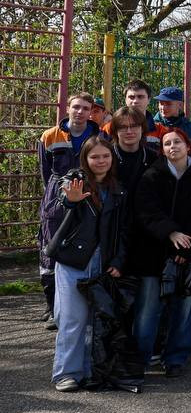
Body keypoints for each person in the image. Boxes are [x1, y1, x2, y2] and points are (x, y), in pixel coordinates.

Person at [131, 129, 191, 378]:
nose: (172, 147)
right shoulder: (152, 176)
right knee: (148, 309)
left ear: (188, 146)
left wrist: (188, 248)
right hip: (152, 253)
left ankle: (176, 358)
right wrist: (170, 233)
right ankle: (142, 358)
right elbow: (145, 211)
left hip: (187, 254)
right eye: (167, 143)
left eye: (177, 142)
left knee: (183, 307)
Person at [46, 136, 129, 392]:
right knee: (73, 318)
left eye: (105, 156)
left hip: (103, 261)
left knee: (96, 319)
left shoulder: (118, 189)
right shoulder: (74, 180)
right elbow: (59, 205)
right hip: (74, 259)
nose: (101, 161)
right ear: (86, 158)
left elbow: (125, 230)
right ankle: (66, 373)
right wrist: (71, 200)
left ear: (112, 158)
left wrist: (118, 260)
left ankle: (90, 369)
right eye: (95, 157)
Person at [38, 92, 100, 329]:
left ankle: (83, 304)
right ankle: (52, 306)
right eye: (76, 107)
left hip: (87, 192)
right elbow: (45, 170)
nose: (80, 112)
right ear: (68, 108)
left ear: (91, 111)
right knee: (50, 247)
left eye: (85, 108)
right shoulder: (50, 136)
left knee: (83, 246)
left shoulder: (98, 134)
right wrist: (55, 194)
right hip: (56, 194)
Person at [108, 107, 158, 194]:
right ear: (116, 131)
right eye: (123, 127)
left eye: (134, 126)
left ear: (142, 128)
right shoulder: (106, 156)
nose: (129, 131)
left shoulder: (153, 158)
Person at [152, 87, 191, 160]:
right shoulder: (151, 127)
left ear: (180, 105)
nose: (163, 107)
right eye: (161, 103)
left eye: (168, 104)